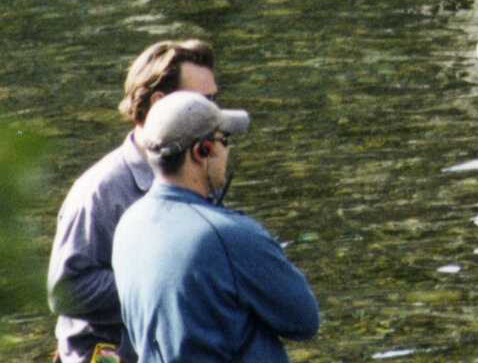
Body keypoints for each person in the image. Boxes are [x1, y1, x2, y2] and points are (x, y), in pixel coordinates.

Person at [111, 91, 320, 363]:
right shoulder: (230, 236)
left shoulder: (128, 225)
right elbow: (304, 321)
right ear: (202, 151)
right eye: (224, 140)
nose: (228, 150)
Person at [48, 39, 219, 363]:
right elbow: (65, 292)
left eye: (216, 100)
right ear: (159, 103)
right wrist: (159, 281)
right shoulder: (100, 191)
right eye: (204, 102)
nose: (216, 115)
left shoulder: (201, 171)